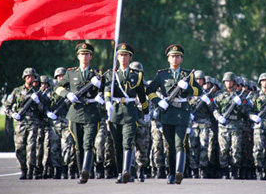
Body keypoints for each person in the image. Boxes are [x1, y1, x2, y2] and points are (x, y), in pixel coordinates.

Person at [146, 44, 202, 184]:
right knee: (170, 146)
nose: (175, 59)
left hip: (182, 113)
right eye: (172, 56)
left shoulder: (188, 75)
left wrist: (188, 87)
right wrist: (158, 101)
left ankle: (179, 172)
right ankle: (171, 174)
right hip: (167, 112)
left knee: (180, 144)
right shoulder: (161, 75)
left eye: (177, 56)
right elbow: (150, 91)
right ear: (168, 59)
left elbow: (199, 91)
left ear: (181, 59)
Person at [54, 42, 103, 184]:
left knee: (88, 143)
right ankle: (82, 170)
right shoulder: (71, 73)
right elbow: (57, 86)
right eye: (82, 54)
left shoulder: (96, 74)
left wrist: (100, 88)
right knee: (78, 145)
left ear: (91, 56)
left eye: (87, 54)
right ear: (78, 56)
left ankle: (85, 171)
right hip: (75, 112)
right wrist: (66, 94)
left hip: (92, 112)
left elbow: (107, 89)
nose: (84, 56)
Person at [104, 43, 150, 184]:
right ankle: (119, 172)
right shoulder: (111, 74)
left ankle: (126, 171)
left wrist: (146, 111)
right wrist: (107, 102)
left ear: (130, 57)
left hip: (130, 111)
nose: (123, 58)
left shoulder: (137, 76)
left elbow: (142, 95)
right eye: (120, 55)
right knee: (117, 145)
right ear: (117, 57)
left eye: (125, 55)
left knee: (127, 142)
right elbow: (107, 90)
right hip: (115, 111)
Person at [6, 67, 44, 179]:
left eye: (32, 77)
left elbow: (43, 109)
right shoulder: (17, 91)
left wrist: (37, 101)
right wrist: (13, 114)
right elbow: (7, 107)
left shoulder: (38, 92)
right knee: (19, 147)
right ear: (24, 78)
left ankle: (31, 170)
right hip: (20, 123)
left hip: (33, 123)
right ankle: (23, 169)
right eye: (28, 77)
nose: (30, 79)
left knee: (31, 147)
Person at [213, 72, 246, 179]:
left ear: (234, 82)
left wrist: (240, 104)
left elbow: (245, 111)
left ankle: (235, 171)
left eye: (230, 81)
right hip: (223, 126)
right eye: (226, 81)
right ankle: (224, 171)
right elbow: (214, 109)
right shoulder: (220, 96)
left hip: (236, 125)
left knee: (236, 149)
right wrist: (218, 117)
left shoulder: (239, 96)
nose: (228, 83)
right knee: (223, 149)